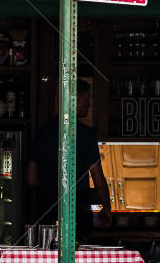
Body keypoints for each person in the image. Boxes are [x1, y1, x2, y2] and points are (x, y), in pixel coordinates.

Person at [27, 77, 112, 237]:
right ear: (76, 100)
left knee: (48, 251)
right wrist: (107, 209)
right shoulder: (86, 134)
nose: (89, 104)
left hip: (47, 209)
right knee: (78, 251)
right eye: (87, 99)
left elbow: (31, 179)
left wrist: (50, 189)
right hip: (77, 210)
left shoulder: (42, 133)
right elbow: (98, 180)